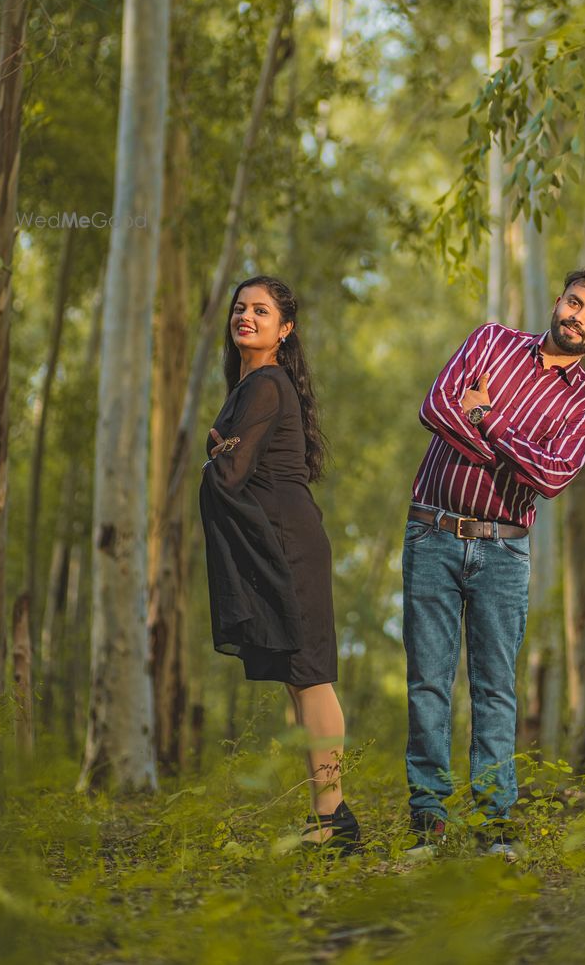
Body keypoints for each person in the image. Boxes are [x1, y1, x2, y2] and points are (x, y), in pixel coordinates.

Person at [402, 264, 585, 859]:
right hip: (432, 531)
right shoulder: (491, 341)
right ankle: (427, 820)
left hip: (504, 550)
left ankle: (492, 825)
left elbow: (551, 477)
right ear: (559, 300)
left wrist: (485, 417)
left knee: (495, 689)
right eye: (576, 303)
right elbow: (435, 409)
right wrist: (509, 449)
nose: (579, 318)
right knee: (428, 682)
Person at [199, 275, 360, 854]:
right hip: (279, 537)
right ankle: (326, 817)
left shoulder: (266, 383)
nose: (246, 316)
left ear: (285, 329)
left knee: (310, 677)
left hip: (290, 544)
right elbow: (233, 463)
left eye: (261, 311)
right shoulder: (253, 386)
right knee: (300, 680)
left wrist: (217, 454)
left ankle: (335, 819)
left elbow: (229, 472)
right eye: (240, 308)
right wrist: (222, 452)